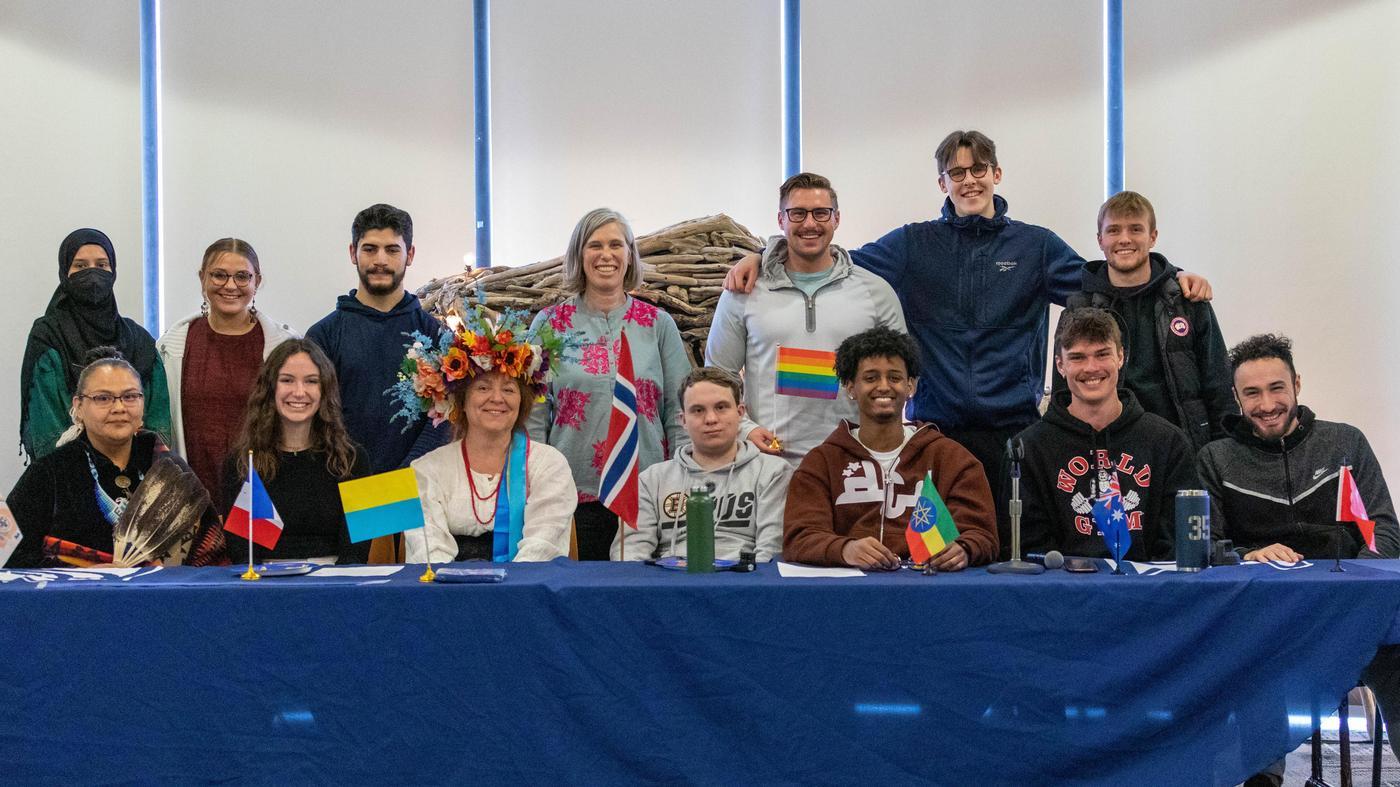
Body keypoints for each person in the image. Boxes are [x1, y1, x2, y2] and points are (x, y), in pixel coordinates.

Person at [725, 131, 1213, 555]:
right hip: (936, 434)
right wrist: (763, 253)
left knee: (1006, 549)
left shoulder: (1034, 245)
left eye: (978, 168)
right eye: (955, 172)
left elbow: (1101, 284)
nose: (968, 180)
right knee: (933, 553)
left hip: (1014, 432)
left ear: (997, 173)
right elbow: (830, 255)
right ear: (942, 184)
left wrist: (1172, 277)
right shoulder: (914, 244)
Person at [1197, 333, 1400, 783]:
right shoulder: (1215, 458)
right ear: (1236, 397)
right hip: (1264, 618)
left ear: (1297, 386)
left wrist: (1358, 577)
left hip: (1350, 611)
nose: (1266, 404)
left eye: (1276, 388)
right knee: (1249, 664)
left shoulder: (1346, 443)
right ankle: (1263, 778)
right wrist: (1249, 553)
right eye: (1251, 392)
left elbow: (1384, 527)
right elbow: (1203, 544)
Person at [705, 172, 906, 467]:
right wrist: (746, 429)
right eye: (797, 213)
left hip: (853, 464)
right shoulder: (744, 291)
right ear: (781, 220)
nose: (810, 223)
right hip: (768, 464)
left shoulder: (875, 292)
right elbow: (717, 375)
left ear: (836, 218)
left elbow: (901, 376)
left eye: (820, 213)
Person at [527, 208, 692, 560]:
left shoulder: (658, 324)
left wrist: (681, 481)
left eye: (616, 244)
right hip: (569, 494)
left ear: (630, 255)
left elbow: (680, 412)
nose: (606, 255)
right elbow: (533, 415)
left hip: (646, 493)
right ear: (578, 255)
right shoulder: (549, 324)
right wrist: (535, 484)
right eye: (595, 245)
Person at [782, 327, 998, 569]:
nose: (883, 386)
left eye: (894, 378)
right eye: (871, 378)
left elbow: (983, 535)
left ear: (911, 386)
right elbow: (798, 538)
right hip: (848, 595)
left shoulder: (951, 458)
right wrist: (844, 550)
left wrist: (964, 549)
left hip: (930, 591)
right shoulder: (821, 462)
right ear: (850, 387)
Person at [306, 204, 450, 561]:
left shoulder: (436, 336)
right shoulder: (324, 336)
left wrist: (401, 482)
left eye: (392, 249)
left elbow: (443, 418)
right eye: (369, 249)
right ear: (353, 253)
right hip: (340, 489)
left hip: (421, 493)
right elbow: (312, 417)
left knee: (408, 603)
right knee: (355, 602)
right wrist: (360, 483)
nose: (380, 260)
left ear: (410, 254)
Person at [6, 348, 223, 568]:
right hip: (76, 599)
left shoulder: (167, 465)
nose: (119, 407)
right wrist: (84, 574)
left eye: (129, 397)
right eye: (103, 398)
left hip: (163, 598)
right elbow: (10, 556)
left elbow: (211, 552)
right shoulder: (48, 473)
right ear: (78, 407)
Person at [1054, 191, 1235, 452]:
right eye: (1114, 230)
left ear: (1153, 237)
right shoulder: (1078, 310)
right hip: (1109, 451)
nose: (1125, 239)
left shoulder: (1188, 302)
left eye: (1135, 229)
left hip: (1184, 449)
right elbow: (1064, 397)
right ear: (1100, 240)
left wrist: (1221, 457)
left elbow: (1219, 386)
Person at [1016, 308, 1199, 561]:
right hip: (1063, 592)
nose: (1091, 368)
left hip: (1149, 591)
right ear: (1060, 365)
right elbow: (1029, 548)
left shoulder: (1168, 442)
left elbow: (1178, 544)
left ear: (1121, 357)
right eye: (1078, 358)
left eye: (1102, 354)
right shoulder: (1028, 449)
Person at [404, 308, 577, 563]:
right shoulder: (426, 470)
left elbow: (542, 547)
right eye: (483, 387)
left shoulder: (549, 465)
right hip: (446, 596)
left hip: (525, 594)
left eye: (509, 389)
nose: (497, 399)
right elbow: (428, 551)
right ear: (461, 400)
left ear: (522, 403)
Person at [157, 238, 298, 497]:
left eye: (242, 276)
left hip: (263, 494)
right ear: (202, 278)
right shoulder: (172, 345)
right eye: (219, 275)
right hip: (193, 492)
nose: (230, 286)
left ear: (257, 281)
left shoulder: (286, 346)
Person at [20, 228, 171, 461]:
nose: (92, 274)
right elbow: (47, 428)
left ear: (113, 271)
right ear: (64, 272)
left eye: (101, 265)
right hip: (68, 475)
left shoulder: (139, 340)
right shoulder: (49, 336)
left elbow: (157, 424)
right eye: (80, 266)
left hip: (137, 475)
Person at [613, 367, 791, 562]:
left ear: (740, 413)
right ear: (683, 420)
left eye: (721, 407)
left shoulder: (774, 473)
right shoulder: (651, 480)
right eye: (698, 410)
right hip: (668, 584)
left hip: (745, 584)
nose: (711, 419)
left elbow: (772, 552)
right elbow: (630, 554)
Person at [219, 339, 370, 564]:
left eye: (311, 381)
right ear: (270, 388)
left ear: (324, 390)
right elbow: (242, 554)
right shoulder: (241, 463)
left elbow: (356, 555)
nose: (299, 392)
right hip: (265, 587)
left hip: (335, 585)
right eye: (287, 380)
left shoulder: (354, 460)